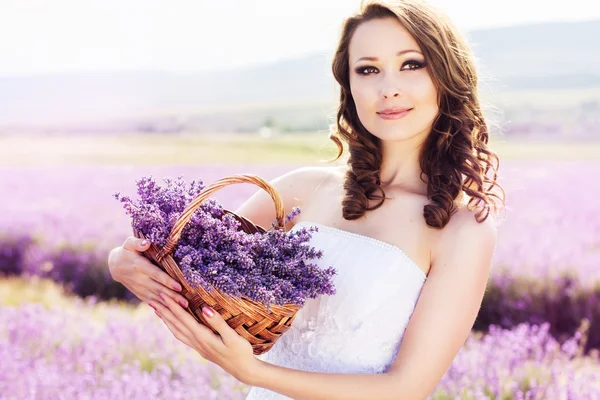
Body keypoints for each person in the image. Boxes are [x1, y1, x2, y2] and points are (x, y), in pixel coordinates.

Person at [108, 0, 506, 398]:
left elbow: (407, 388)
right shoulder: (304, 189)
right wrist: (125, 263)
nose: (389, 89)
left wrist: (257, 374)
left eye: (412, 64)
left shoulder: (461, 229)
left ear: (447, 75)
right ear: (349, 87)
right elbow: (195, 267)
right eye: (368, 70)